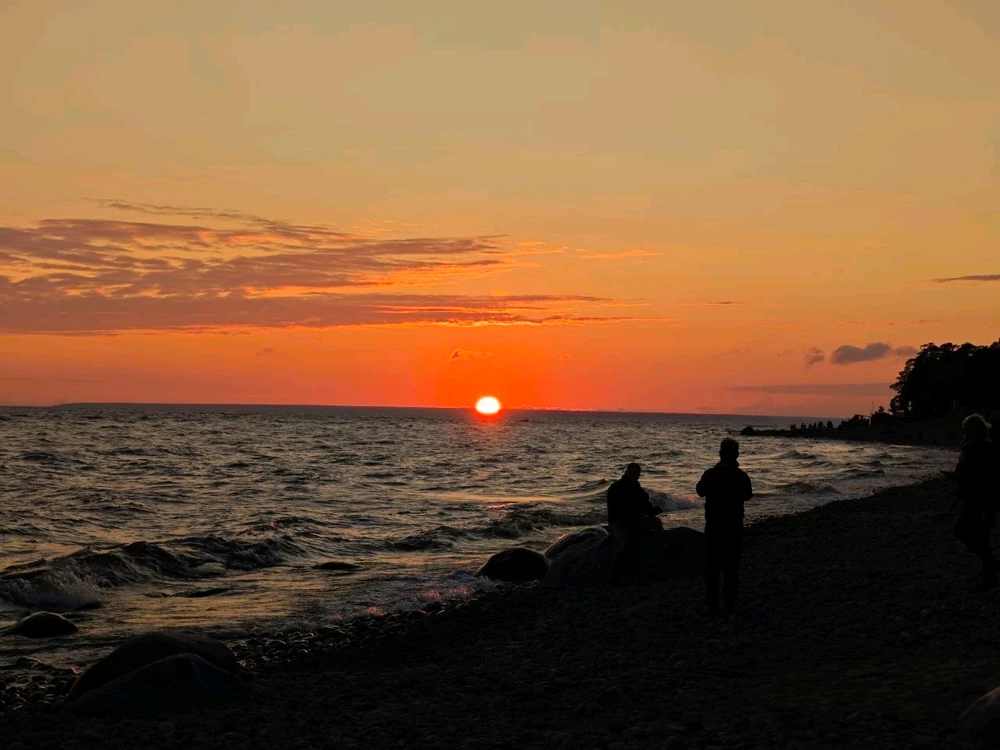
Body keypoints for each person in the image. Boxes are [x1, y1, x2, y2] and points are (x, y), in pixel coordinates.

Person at [696, 438, 753, 616]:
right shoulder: (742, 476)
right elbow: (748, 496)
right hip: (734, 526)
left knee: (712, 568)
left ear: (720, 453)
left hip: (713, 526)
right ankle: (729, 605)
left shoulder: (710, 474)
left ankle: (712, 605)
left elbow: (700, 491)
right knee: (731, 568)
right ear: (736, 454)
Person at [948, 414, 998, 591]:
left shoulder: (986, 448)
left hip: (984, 498)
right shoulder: (969, 447)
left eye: (968, 430)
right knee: (968, 532)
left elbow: (986, 475)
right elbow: (963, 470)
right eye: (964, 431)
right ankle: (989, 568)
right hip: (973, 497)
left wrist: (963, 476)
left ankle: (990, 573)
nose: (965, 434)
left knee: (974, 533)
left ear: (977, 430)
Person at [607, 463, 661, 584]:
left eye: (637, 473)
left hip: (634, 521)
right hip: (618, 523)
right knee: (623, 543)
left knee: (656, 523)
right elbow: (614, 511)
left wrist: (655, 511)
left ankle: (660, 554)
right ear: (627, 473)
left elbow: (647, 507)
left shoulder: (637, 489)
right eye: (633, 473)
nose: (635, 475)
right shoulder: (616, 488)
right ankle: (611, 576)